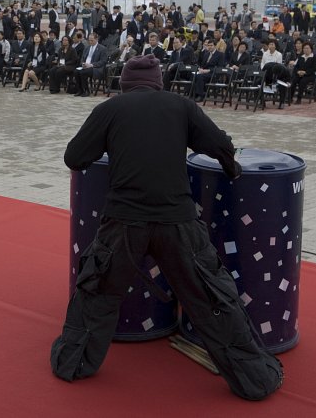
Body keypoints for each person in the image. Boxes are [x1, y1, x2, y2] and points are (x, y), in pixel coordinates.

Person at [50, 54, 283, 400]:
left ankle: (72, 364)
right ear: (159, 81)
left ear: (124, 83)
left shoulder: (110, 110)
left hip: (124, 223)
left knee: (97, 293)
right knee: (211, 298)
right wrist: (231, 167)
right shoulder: (181, 105)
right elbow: (222, 145)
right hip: (178, 222)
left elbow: (75, 157)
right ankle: (254, 379)